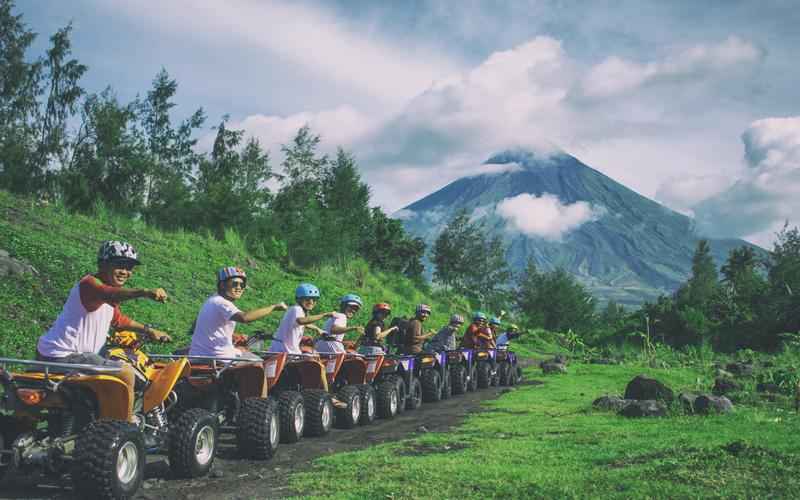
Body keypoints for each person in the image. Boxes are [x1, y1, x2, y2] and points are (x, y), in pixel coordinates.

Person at [36, 240, 171, 421]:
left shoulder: (105, 295)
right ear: (103, 264)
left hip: (52, 353)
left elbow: (118, 320)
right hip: (67, 355)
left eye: (129, 267)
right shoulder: (90, 284)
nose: (125, 272)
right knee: (126, 373)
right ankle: (124, 425)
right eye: (119, 265)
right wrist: (145, 292)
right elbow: (110, 294)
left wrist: (149, 330)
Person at [189, 267, 287, 360]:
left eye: (242, 285)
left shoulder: (211, 300)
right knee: (259, 362)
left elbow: (195, 328)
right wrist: (273, 307)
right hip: (218, 356)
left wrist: (230, 336)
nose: (239, 288)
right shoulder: (222, 302)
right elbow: (244, 318)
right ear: (222, 285)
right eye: (235, 284)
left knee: (241, 351)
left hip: (199, 354)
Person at [268, 283, 335, 354]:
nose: (311, 302)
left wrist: (317, 329)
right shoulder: (297, 309)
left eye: (314, 299)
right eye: (307, 299)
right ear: (298, 299)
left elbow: (304, 323)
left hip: (285, 351)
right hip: (285, 352)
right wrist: (324, 315)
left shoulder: (295, 309)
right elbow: (301, 321)